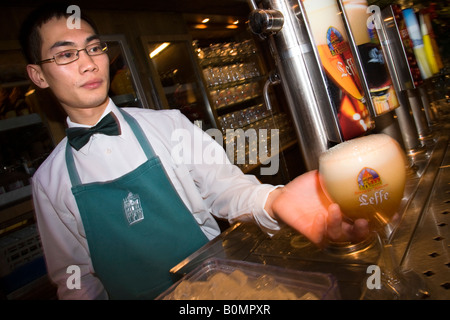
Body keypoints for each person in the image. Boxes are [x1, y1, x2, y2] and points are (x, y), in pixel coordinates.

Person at [20, 4, 368, 299]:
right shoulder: (48, 181)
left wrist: (274, 201)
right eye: (66, 54)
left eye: (94, 48)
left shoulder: (169, 125)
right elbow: (74, 278)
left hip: (218, 289)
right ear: (38, 75)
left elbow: (226, 189)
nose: (89, 64)